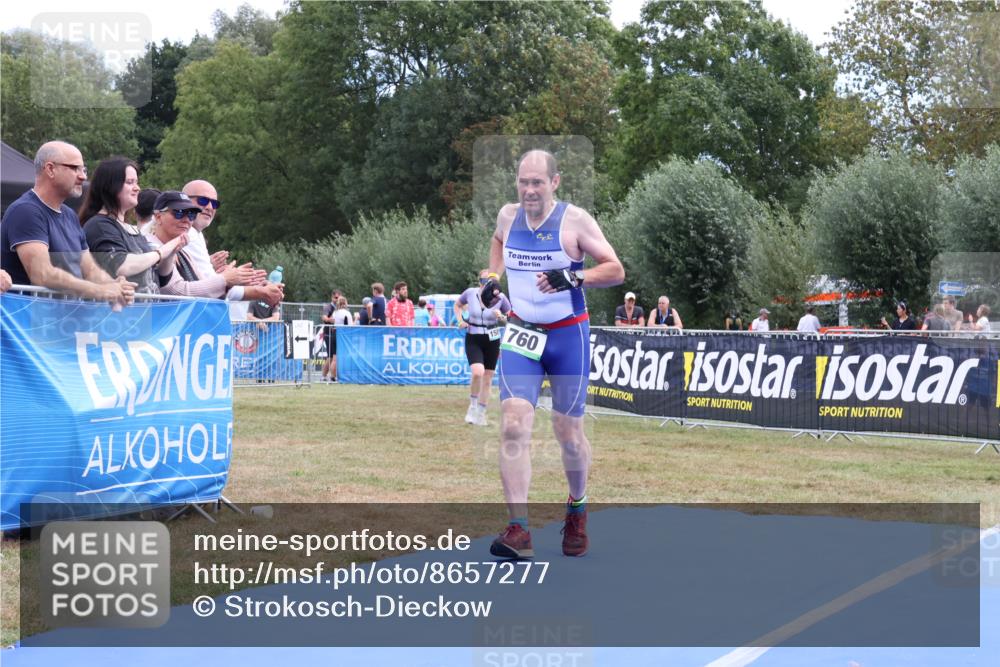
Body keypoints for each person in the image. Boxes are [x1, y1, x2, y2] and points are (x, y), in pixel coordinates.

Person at [485, 149, 624, 560]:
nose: (529, 190)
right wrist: (491, 278)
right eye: (523, 182)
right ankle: (519, 529)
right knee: (512, 426)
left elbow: (615, 269)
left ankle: (577, 508)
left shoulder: (575, 221)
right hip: (521, 335)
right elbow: (496, 243)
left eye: (537, 183)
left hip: (567, 338)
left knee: (569, 434)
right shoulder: (507, 216)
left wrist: (573, 275)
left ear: (555, 182)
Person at [0, 141, 134, 307]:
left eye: (84, 169)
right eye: (75, 168)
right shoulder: (26, 211)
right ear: (50, 169)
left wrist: (115, 285)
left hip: (59, 324)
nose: (83, 176)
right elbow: (42, 274)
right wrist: (101, 291)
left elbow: (90, 270)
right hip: (28, 325)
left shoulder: (70, 215)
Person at [80, 158, 184, 295]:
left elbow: (160, 279)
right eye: (129, 182)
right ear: (110, 187)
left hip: (145, 312)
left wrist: (171, 252)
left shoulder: (132, 229)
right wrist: (161, 252)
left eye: (136, 182)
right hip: (120, 313)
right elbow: (121, 266)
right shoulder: (99, 225)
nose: (137, 188)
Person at [144, 192, 259, 298]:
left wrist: (233, 280)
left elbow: (200, 284)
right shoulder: (150, 248)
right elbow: (178, 291)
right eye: (179, 213)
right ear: (158, 217)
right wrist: (224, 279)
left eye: (191, 215)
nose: (187, 220)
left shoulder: (182, 253)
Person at [456, 269, 512, 427]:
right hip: (473, 336)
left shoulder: (500, 298)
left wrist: (502, 317)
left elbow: (512, 318)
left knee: (488, 377)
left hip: (492, 337)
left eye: (489, 282)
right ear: (479, 281)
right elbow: (458, 305)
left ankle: (481, 414)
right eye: (483, 281)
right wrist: (460, 320)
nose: (485, 285)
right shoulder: (470, 293)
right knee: (477, 372)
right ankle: (472, 406)